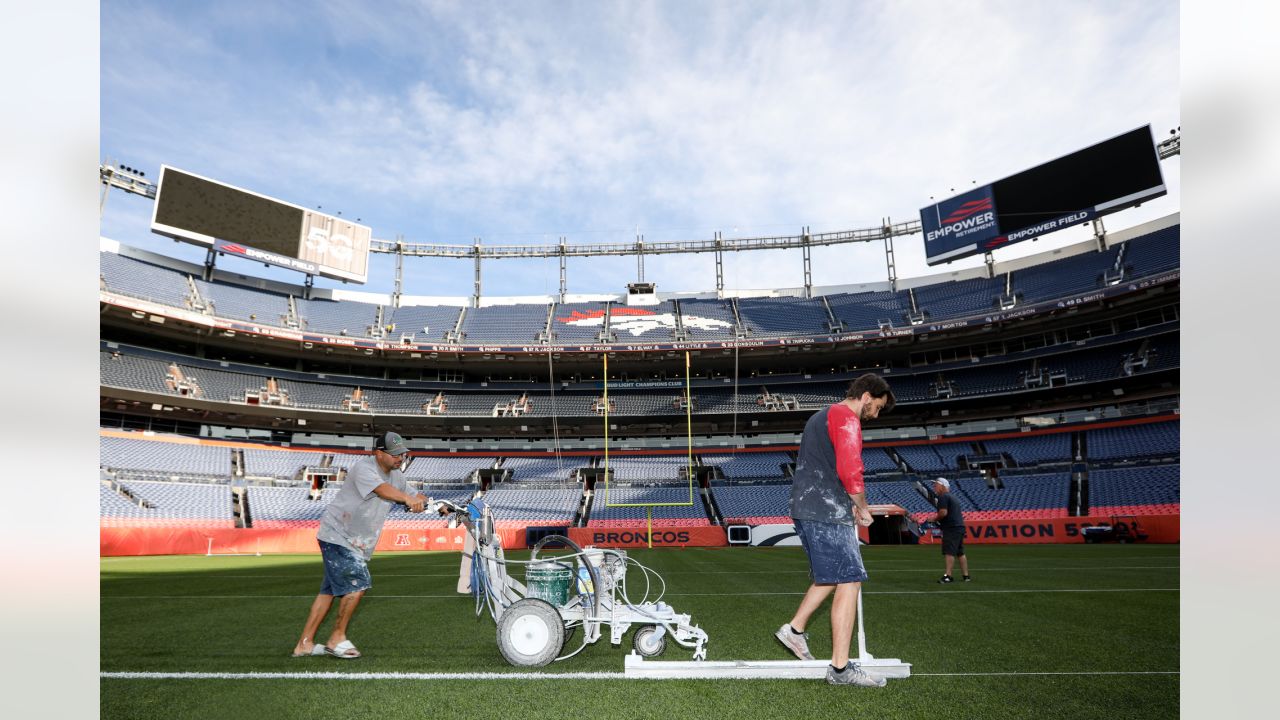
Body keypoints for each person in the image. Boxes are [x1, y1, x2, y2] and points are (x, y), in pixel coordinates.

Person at [775, 373, 895, 687]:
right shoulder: (846, 418)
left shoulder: (820, 416)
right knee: (851, 578)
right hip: (825, 511)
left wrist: (850, 504)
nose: (876, 414)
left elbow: (826, 466)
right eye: (877, 407)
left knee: (831, 576)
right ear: (867, 396)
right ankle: (840, 669)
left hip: (811, 506)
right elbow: (849, 469)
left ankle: (795, 630)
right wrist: (864, 507)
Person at [292, 430, 429, 659]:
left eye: (402, 454)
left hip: (354, 541)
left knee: (328, 592)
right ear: (378, 453)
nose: (400, 458)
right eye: (395, 454)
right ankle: (337, 638)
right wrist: (407, 499)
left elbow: (415, 495)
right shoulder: (364, 469)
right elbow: (383, 490)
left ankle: (304, 644)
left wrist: (436, 504)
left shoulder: (397, 477)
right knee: (357, 584)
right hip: (338, 535)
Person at [931, 478, 970, 583]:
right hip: (959, 526)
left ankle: (948, 575)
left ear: (943, 486)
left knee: (949, 551)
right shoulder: (953, 497)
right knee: (960, 552)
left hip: (951, 528)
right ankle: (966, 576)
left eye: (936, 485)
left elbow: (943, 513)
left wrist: (934, 519)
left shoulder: (943, 497)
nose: (934, 487)